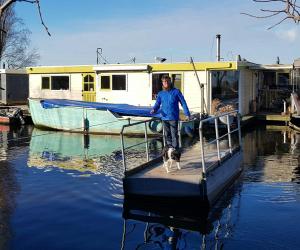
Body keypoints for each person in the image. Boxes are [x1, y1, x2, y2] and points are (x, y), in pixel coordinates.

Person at [150, 75, 191, 150]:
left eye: (167, 81)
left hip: (173, 117)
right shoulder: (161, 94)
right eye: (164, 82)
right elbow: (157, 104)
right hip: (164, 117)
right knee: (167, 135)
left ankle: (175, 152)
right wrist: (154, 109)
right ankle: (169, 152)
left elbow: (183, 103)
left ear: (170, 82)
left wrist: (187, 114)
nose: (165, 83)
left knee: (174, 135)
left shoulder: (176, 92)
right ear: (162, 83)